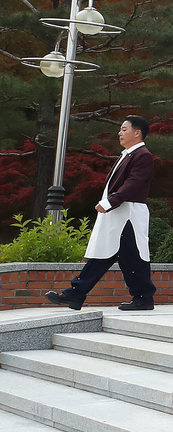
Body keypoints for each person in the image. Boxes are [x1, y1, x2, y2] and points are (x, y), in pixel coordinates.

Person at [44, 115, 157, 312]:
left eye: (124, 129)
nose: (119, 133)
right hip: (119, 213)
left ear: (137, 133)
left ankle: (79, 293)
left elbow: (133, 183)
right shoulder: (129, 155)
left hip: (128, 214)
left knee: (124, 256)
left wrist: (110, 201)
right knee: (112, 253)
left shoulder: (142, 155)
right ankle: (140, 297)